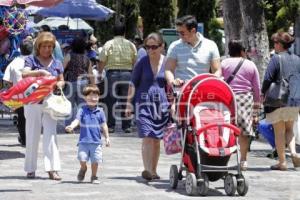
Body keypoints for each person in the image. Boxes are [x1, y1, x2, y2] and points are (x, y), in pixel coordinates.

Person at [125, 33, 169, 180]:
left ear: (162, 46)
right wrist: (128, 104)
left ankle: (154, 170)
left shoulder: (168, 63)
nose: (150, 50)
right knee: (147, 136)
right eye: (148, 47)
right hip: (143, 103)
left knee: (157, 139)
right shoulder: (141, 62)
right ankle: (147, 169)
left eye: (154, 47)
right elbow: (133, 83)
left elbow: (171, 84)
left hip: (161, 104)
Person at [22, 32, 65, 180]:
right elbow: (24, 74)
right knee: (32, 134)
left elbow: (61, 79)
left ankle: (52, 169)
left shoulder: (57, 63)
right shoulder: (31, 60)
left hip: (51, 102)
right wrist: (39, 72)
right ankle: (30, 169)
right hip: (33, 101)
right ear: (38, 47)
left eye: (50, 46)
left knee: (51, 135)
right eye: (44, 46)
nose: (47, 49)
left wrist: (59, 84)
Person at [262, 31, 300, 171]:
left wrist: (262, 93)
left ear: (280, 44)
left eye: (275, 43)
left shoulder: (276, 58)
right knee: (290, 129)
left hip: (279, 99)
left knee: (279, 131)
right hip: (295, 99)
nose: (274, 45)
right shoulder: (297, 59)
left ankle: (282, 162)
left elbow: (268, 78)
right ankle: (294, 153)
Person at [221, 40, 261, 171]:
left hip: (226, 98)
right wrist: (256, 110)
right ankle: (243, 160)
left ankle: (221, 159)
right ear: (242, 51)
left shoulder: (223, 63)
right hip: (245, 99)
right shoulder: (250, 65)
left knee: (225, 128)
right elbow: (257, 89)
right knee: (243, 131)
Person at [65, 84, 110, 184]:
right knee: (82, 158)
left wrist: (107, 137)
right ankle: (83, 168)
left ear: (98, 97)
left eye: (96, 96)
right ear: (85, 98)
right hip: (83, 141)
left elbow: (104, 125)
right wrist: (71, 126)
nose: (93, 98)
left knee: (95, 161)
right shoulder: (82, 110)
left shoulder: (100, 111)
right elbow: (77, 120)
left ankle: (94, 176)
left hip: (96, 142)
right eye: (90, 96)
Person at [98, 24, 137, 133]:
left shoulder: (108, 44)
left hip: (112, 75)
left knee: (111, 101)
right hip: (127, 74)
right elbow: (135, 61)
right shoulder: (130, 45)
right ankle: (127, 126)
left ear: (113, 32)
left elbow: (102, 60)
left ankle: (111, 126)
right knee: (126, 100)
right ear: (124, 32)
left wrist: (100, 72)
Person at [165, 15, 221, 87]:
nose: (179, 35)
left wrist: (209, 84)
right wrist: (173, 82)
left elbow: (217, 71)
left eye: (182, 33)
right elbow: (168, 69)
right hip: (181, 92)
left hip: (203, 91)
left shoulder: (211, 45)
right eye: (178, 32)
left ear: (193, 31)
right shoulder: (174, 46)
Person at [3, 39, 33, 146]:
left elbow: (6, 81)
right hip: (34, 94)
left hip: (19, 95)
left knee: (21, 117)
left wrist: (11, 90)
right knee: (33, 117)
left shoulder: (14, 63)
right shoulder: (36, 61)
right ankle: (31, 139)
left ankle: (24, 139)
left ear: (20, 49)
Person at [63, 37, 94, 126]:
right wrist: (93, 85)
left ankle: (68, 125)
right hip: (84, 83)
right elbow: (90, 73)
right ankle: (83, 124)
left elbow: (62, 68)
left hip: (71, 82)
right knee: (83, 105)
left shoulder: (69, 55)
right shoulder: (86, 58)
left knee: (69, 105)